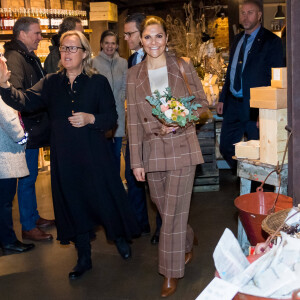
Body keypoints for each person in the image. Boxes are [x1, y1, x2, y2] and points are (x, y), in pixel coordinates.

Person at [0, 31, 140, 279]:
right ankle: (83, 257)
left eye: (73, 48)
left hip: (95, 155)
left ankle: (119, 238)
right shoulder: (52, 82)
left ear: (85, 53)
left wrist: (91, 118)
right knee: (75, 205)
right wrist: (4, 85)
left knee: (105, 199)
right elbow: (25, 100)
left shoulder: (97, 83)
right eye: (64, 48)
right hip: (65, 157)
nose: (66, 53)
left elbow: (111, 118)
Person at [126, 16, 208, 297]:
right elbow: (133, 122)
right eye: (147, 37)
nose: (153, 42)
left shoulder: (182, 66)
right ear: (140, 41)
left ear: (166, 39)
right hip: (152, 151)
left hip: (183, 147)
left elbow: (202, 103)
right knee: (165, 207)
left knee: (170, 215)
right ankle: (186, 235)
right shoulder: (133, 75)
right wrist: (135, 161)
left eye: (158, 36)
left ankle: (170, 272)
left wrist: (182, 118)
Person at [217, 0, 284, 170]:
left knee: (259, 153)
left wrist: (265, 111)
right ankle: (244, 175)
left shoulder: (271, 41)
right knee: (226, 146)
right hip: (233, 104)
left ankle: (255, 187)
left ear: (260, 15)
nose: (245, 17)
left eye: (250, 12)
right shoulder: (237, 39)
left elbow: (276, 79)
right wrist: (222, 98)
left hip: (255, 106)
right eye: (243, 13)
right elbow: (230, 72)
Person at [4, 17, 54, 242]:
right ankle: (27, 225)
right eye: (36, 33)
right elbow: (16, 96)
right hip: (28, 130)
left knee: (31, 177)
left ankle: (33, 217)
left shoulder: (26, 55)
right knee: (26, 178)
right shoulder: (15, 58)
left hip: (35, 127)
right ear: (22, 34)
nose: (40, 37)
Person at [124, 13, 161, 243]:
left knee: (156, 181)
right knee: (133, 174)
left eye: (131, 34)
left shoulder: (158, 61)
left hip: (155, 129)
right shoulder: (131, 61)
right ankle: (139, 224)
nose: (126, 38)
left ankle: (161, 228)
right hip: (135, 128)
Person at [0, 93, 34, 255]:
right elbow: (9, 119)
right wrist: (23, 137)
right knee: (4, 203)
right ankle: (8, 241)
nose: (9, 71)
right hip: (5, 157)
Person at [92, 30, 127, 173]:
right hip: (101, 115)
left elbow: (125, 86)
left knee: (116, 153)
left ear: (117, 45)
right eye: (106, 43)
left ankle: (116, 185)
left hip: (118, 114)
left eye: (113, 43)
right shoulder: (93, 62)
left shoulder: (123, 63)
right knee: (101, 154)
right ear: (101, 44)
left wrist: (120, 98)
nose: (110, 46)